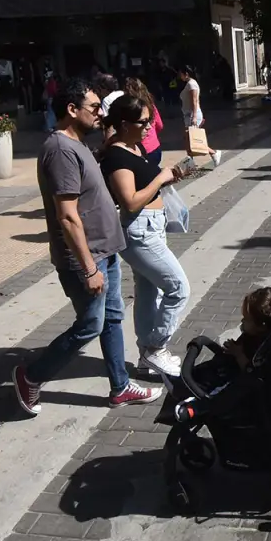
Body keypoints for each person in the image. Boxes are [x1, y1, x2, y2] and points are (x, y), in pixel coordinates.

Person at [11, 81, 163, 415]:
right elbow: (67, 216)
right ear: (71, 109)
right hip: (87, 259)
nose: (101, 113)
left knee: (111, 319)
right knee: (91, 325)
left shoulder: (77, 145)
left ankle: (120, 387)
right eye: (94, 107)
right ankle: (30, 376)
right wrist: (89, 267)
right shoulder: (61, 150)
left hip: (103, 252)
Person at [101, 96, 191, 379]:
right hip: (138, 231)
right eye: (143, 122)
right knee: (178, 288)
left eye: (149, 120)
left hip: (152, 226)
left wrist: (170, 177)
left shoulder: (133, 146)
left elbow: (147, 184)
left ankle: (145, 357)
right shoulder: (116, 155)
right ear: (124, 124)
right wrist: (160, 178)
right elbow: (129, 201)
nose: (149, 126)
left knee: (149, 292)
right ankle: (156, 348)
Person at [224, 287, 271, 369]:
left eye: (246, 319)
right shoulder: (258, 334)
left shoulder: (265, 349)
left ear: (261, 326)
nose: (242, 320)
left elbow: (252, 371)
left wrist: (238, 354)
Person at [178, 65, 222, 167]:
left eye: (181, 74)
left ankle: (213, 153)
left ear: (186, 74)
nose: (180, 76)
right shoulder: (190, 84)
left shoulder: (191, 84)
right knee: (188, 139)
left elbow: (195, 101)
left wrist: (194, 117)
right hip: (189, 114)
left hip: (191, 115)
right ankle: (191, 161)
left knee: (192, 139)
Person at [124, 78, 164, 165]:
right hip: (156, 148)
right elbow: (160, 125)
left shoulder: (131, 108)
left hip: (141, 150)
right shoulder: (151, 106)